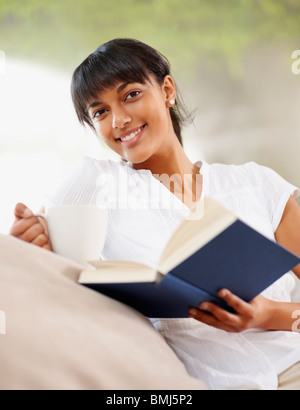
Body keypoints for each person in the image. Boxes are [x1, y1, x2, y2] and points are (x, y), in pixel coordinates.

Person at [10, 38, 300, 390]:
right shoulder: (95, 181)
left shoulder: (257, 184)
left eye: (130, 94)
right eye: (99, 112)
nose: (118, 119)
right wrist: (32, 236)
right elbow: (37, 244)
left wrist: (269, 315)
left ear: (166, 89)